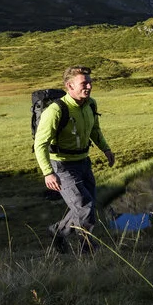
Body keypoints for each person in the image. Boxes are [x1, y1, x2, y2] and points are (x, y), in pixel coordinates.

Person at [34, 65, 116, 253]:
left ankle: (57, 232)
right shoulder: (55, 111)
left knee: (86, 205)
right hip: (62, 166)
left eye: (90, 83)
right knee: (85, 207)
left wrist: (106, 149)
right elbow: (40, 144)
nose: (88, 87)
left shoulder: (91, 104)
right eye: (84, 83)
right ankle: (87, 249)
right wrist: (48, 173)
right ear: (69, 86)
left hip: (83, 162)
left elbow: (95, 130)